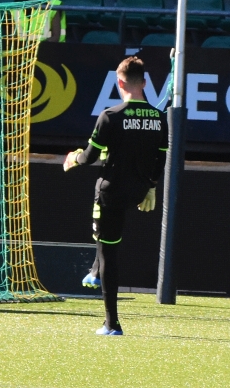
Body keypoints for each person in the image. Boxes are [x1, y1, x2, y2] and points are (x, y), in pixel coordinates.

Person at [63, 56, 168, 336]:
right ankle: (95, 272)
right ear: (144, 83)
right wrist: (152, 187)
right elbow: (160, 159)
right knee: (107, 240)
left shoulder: (110, 116)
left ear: (119, 83)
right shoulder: (160, 119)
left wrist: (72, 158)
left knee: (108, 250)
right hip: (138, 190)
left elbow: (89, 157)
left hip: (111, 192)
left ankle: (112, 324)